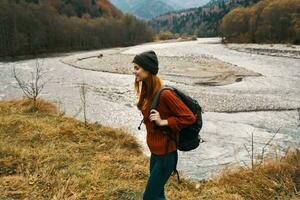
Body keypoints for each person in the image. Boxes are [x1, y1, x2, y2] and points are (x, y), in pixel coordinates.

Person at [133, 50, 196, 200]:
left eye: (137, 68)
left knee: (149, 197)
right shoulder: (147, 91)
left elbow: (189, 117)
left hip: (166, 155)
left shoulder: (165, 94)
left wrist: (164, 121)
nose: (134, 71)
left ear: (148, 69)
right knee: (158, 196)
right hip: (155, 154)